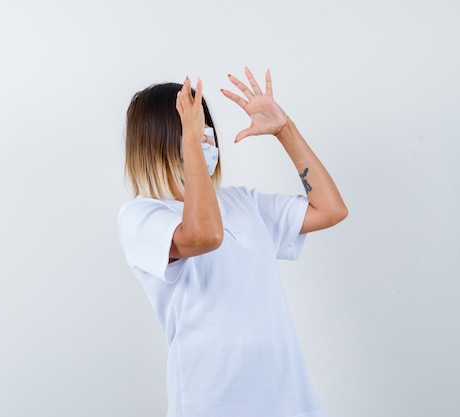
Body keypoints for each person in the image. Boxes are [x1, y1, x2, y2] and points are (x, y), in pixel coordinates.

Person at [118, 67, 347, 417]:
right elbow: (205, 235)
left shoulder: (244, 203)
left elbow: (331, 210)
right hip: (212, 403)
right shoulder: (141, 217)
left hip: (288, 401)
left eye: (205, 125)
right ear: (163, 138)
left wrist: (285, 131)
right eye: (194, 125)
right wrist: (192, 144)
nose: (206, 134)